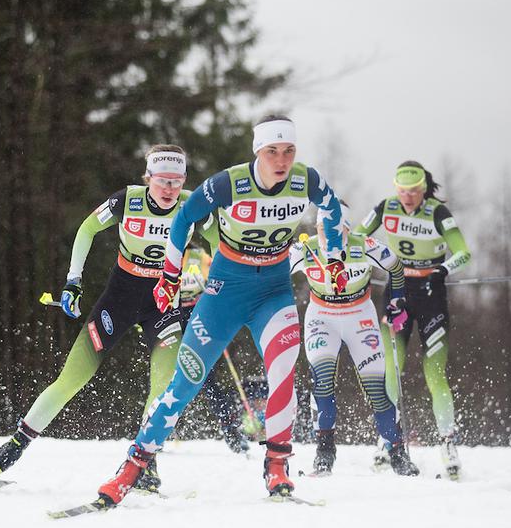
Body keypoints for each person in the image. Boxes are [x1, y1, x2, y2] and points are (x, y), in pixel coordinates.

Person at [91, 115, 347, 505]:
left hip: (274, 292)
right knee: (186, 380)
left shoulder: (305, 180)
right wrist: (169, 277)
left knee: (282, 370)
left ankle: (277, 464)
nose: (281, 160)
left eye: (289, 150)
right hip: (224, 292)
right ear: (257, 152)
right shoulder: (229, 183)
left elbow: (331, 207)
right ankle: (132, 467)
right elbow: (184, 218)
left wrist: (336, 258)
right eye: (272, 151)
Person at [0, 145, 218, 485]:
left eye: (176, 181)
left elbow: (220, 244)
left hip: (164, 302)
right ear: (148, 178)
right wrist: (73, 280)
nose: (169, 190)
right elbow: (87, 229)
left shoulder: (193, 205)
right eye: (162, 181)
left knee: (162, 385)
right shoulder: (126, 201)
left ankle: (145, 462)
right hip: (121, 296)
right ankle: (13, 448)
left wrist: (217, 285)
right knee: (72, 378)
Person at [353, 161, 471, 480]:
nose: (407, 197)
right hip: (397, 291)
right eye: (402, 191)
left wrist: (442, 270)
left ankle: (448, 442)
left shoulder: (436, 212)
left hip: (431, 295)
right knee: (391, 368)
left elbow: (464, 253)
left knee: (434, 373)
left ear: (423, 189)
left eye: (414, 191)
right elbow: (356, 238)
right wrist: (369, 262)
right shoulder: (385, 208)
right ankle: (387, 437)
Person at [289, 204, 419, 476]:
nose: (329, 236)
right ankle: (324, 453)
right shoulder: (306, 249)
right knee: (322, 380)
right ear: (317, 228)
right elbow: (271, 276)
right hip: (321, 316)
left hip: (360, 315)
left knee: (376, 389)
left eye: (336, 230)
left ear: (348, 229)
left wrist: (396, 300)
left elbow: (395, 266)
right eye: (323, 230)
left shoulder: (366, 246)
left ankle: (397, 453)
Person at [179, 246, 250, 454]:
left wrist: (210, 298)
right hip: (172, 315)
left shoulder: (199, 257)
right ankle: (157, 432)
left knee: (205, 377)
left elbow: (219, 282)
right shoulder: (161, 255)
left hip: (196, 313)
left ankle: (232, 433)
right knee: (167, 374)